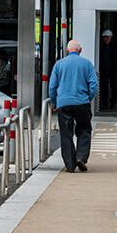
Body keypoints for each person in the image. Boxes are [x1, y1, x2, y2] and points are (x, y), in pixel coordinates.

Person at [48, 38, 98, 172]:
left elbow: (52, 86)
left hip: (64, 103)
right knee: (84, 130)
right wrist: (89, 97)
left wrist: (54, 102)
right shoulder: (87, 64)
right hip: (82, 102)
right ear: (80, 51)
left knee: (66, 133)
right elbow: (94, 85)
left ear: (67, 50)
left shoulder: (59, 65)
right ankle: (81, 157)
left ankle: (70, 164)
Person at [99, 29, 117, 109]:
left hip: (113, 69)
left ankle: (113, 101)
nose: (106, 39)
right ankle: (104, 102)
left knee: (114, 86)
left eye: (107, 37)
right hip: (104, 69)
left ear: (110, 37)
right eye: (104, 37)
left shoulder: (115, 46)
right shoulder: (101, 46)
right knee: (103, 86)